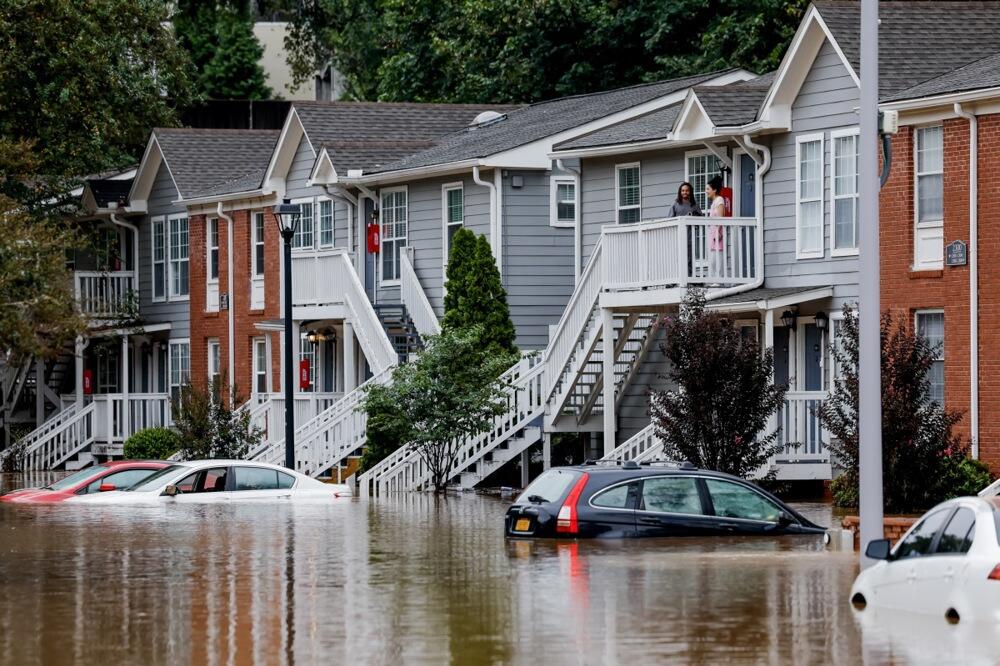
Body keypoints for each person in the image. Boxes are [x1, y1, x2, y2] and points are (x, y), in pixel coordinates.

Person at [706, 175, 727, 281]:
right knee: (713, 259)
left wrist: (718, 233)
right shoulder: (714, 202)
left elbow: (720, 218)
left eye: (708, 189)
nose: (706, 191)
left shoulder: (719, 200)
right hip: (712, 234)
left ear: (714, 190)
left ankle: (720, 280)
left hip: (717, 235)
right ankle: (715, 280)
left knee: (718, 259)